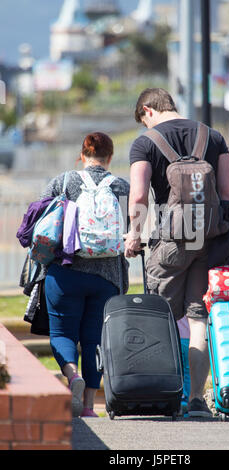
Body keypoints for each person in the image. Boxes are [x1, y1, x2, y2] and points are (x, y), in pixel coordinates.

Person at [124, 88, 229, 418]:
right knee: (199, 320)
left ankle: (165, 395)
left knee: (160, 318)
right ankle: (196, 399)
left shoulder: (145, 143)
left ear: (147, 111)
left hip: (170, 239)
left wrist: (133, 235)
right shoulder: (213, 136)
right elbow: (228, 193)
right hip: (211, 240)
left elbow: (138, 197)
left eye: (142, 121)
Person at [41, 132, 130, 418]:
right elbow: (133, 228)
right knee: (94, 339)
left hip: (65, 271)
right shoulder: (121, 186)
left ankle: (72, 376)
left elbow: (39, 218)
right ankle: (90, 406)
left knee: (62, 334)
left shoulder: (64, 181)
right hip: (107, 277)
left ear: (83, 155)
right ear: (110, 157)